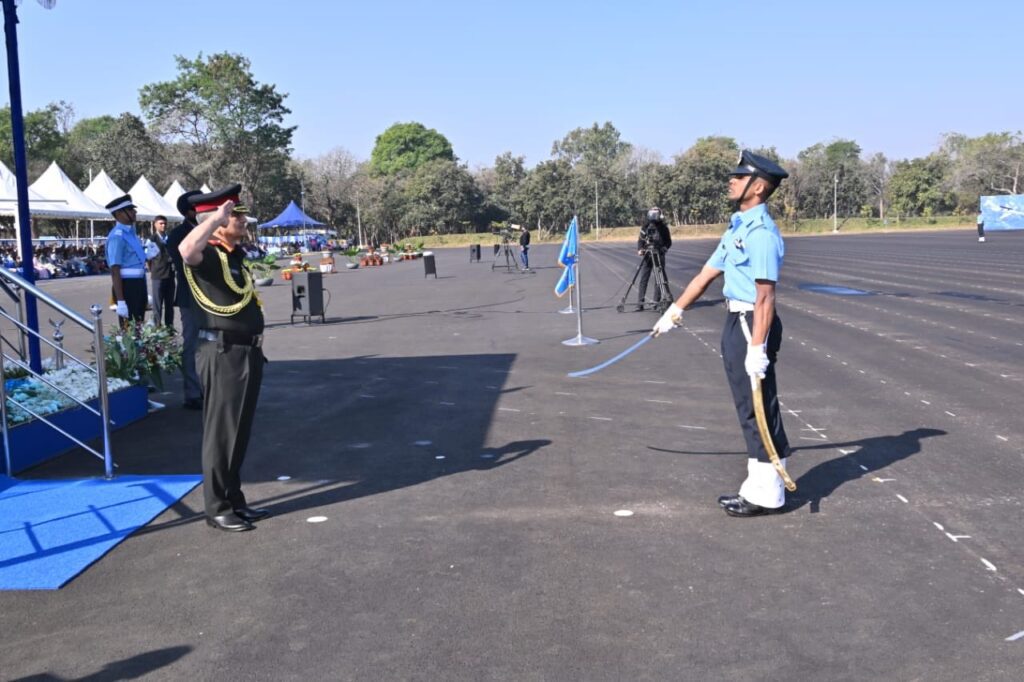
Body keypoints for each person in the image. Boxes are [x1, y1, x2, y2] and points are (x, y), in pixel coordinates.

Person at [652, 150, 792, 517]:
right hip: (736, 322)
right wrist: (676, 310)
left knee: (759, 407)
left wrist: (758, 346)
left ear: (758, 187)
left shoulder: (761, 234)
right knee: (748, 405)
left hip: (751, 324)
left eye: (738, 176)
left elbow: (765, 297)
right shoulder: (738, 227)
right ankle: (759, 486)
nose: (730, 180)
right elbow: (706, 274)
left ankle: (769, 491)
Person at [179, 184, 269, 532]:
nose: (244, 221)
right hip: (222, 351)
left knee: (239, 431)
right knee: (221, 433)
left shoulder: (233, 255)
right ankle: (216, 506)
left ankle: (233, 499)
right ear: (219, 221)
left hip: (246, 351)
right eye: (238, 216)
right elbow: (188, 249)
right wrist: (215, 215)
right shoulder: (207, 256)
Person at [167, 191, 204, 410]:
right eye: (199, 207)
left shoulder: (210, 231)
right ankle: (192, 393)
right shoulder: (178, 235)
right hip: (190, 296)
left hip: (213, 296)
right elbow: (186, 265)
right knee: (191, 343)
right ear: (190, 211)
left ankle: (210, 387)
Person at [104, 195, 148, 326]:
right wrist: (121, 301)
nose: (134, 212)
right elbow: (115, 270)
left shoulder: (130, 233)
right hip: (127, 286)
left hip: (138, 283)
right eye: (129, 209)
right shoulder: (117, 236)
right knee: (129, 329)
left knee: (139, 326)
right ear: (118, 213)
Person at [635, 207, 672, 311]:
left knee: (659, 279)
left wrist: (664, 248)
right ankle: (640, 303)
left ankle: (656, 302)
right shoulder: (645, 227)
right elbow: (640, 240)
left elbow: (668, 242)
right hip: (647, 255)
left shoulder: (664, 228)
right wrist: (640, 249)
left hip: (659, 254)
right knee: (644, 279)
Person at [147, 215, 176, 328]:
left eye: (164, 223)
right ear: (155, 225)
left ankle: (169, 328)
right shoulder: (152, 239)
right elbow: (148, 258)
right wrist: (153, 270)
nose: (163, 225)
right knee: (157, 305)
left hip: (170, 275)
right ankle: (157, 328)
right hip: (158, 275)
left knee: (169, 305)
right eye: (161, 223)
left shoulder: (170, 238)